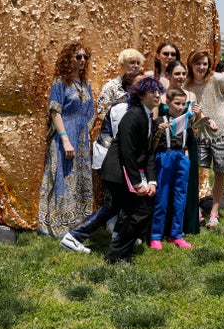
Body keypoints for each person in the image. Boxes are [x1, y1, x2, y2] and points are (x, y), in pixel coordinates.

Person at [60, 70, 144, 253]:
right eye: (140, 83)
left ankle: (119, 234)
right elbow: (124, 140)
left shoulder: (135, 105)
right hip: (113, 160)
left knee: (122, 203)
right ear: (129, 88)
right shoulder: (123, 107)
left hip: (119, 160)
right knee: (114, 204)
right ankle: (75, 236)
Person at [102, 78, 164, 263]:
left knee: (140, 212)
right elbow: (127, 153)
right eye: (153, 92)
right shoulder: (133, 116)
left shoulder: (147, 116)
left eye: (159, 91)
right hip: (116, 173)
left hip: (127, 173)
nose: (158, 95)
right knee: (139, 212)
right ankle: (115, 257)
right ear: (141, 95)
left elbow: (148, 153)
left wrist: (152, 181)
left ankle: (121, 254)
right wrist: (138, 183)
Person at [38, 43, 95, 237]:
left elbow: (90, 113)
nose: (82, 61)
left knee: (79, 179)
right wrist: (65, 140)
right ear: (68, 58)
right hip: (65, 136)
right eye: (78, 56)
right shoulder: (60, 82)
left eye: (85, 57)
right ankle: (59, 223)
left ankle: (78, 223)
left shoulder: (86, 83)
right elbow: (55, 111)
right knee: (64, 177)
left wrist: (85, 135)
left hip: (81, 138)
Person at [184, 50, 224, 229]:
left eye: (205, 63)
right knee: (193, 171)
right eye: (198, 63)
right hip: (199, 132)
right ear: (191, 65)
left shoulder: (216, 79)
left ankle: (214, 213)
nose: (201, 67)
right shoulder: (186, 85)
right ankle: (197, 210)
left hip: (223, 130)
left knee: (220, 172)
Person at [149, 88, 208, 250]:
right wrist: (159, 132)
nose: (180, 107)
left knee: (180, 198)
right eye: (177, 104)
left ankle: (176, 234)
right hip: (165, 158)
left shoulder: (186, 120)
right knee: (162, 197)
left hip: (182, 158)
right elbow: (152, 146)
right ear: (167, 103)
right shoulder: (160, 119)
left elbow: (195, 130)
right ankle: (156, 235)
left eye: (183, 104)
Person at [160, 60, 202, 233]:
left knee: (186, 184)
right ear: (168, 75)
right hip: (165, 145)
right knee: (165, 186)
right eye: (177, 73)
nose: (181, 77)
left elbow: (194, 123)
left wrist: (199, 116)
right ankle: (163, 226)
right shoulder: (160, 96)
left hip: (186, 143)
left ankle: (186, 224)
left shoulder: (191, 96)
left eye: (184, 73)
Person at [95, 48, 145, 124]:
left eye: (138, 63)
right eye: (132, 62)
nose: (136, 66)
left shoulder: (144, 87)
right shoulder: (111, 86)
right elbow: (101, 112)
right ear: (122, 64)